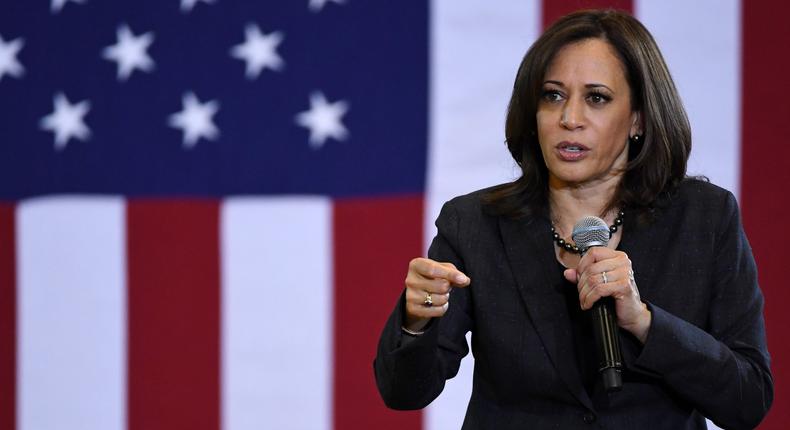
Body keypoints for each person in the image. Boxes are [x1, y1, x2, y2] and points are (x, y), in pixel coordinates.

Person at [373, 9, 772, 430]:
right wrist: (416, 321)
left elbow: (748, 401)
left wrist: (644, 322)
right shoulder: (474, 224)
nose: (570, 119)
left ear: (638, 117)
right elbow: (404, 393)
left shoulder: (704, 219)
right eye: (553, 96)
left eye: (596, 98)